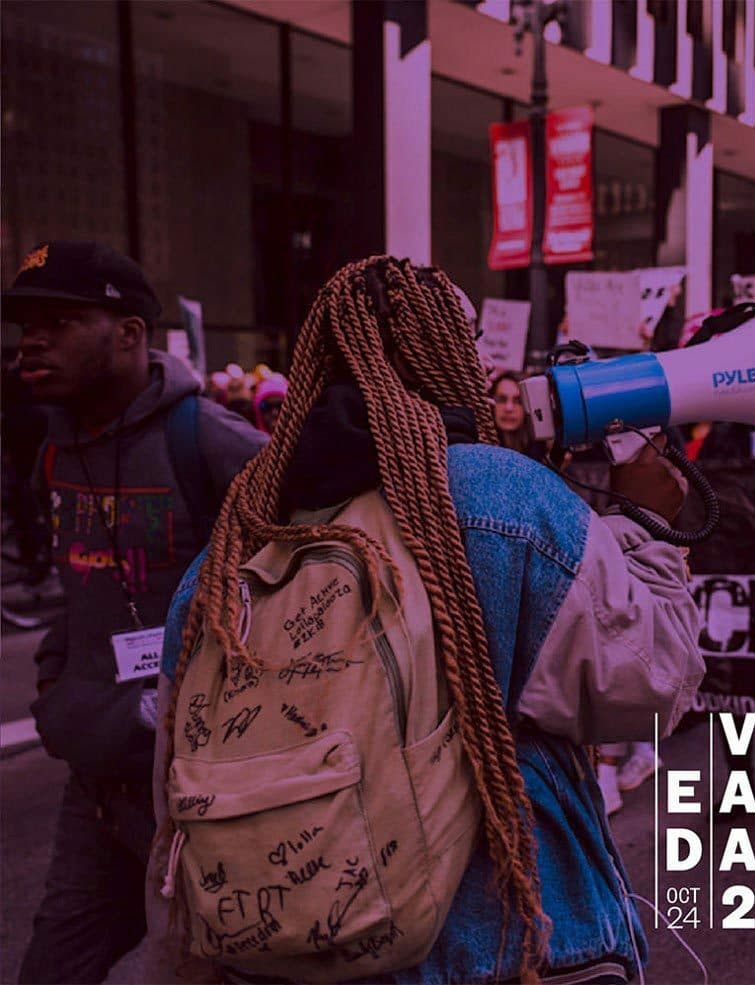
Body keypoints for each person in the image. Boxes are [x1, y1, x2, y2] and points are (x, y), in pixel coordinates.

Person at [148, 256, 704, 984]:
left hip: (283, 957)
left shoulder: (230, 549)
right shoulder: (506, 500)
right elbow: (653, 686)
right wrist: (650, 527)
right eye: (468, 344)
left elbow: (174, 794)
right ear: (449, 356)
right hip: (515, 953)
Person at [3, 240, 268, 984]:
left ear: (128, 334)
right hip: (96, 791)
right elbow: (77, 593)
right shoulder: (54, 451)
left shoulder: (213, 442)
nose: (32, 341)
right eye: (26, 324)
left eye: (59, 321)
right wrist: (60, 687)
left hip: (206, 793)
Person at [489, 369, 546, 459]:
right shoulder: (480, 446)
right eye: (501, 399)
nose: (509, 408)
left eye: (518, 401)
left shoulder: (543, 453)